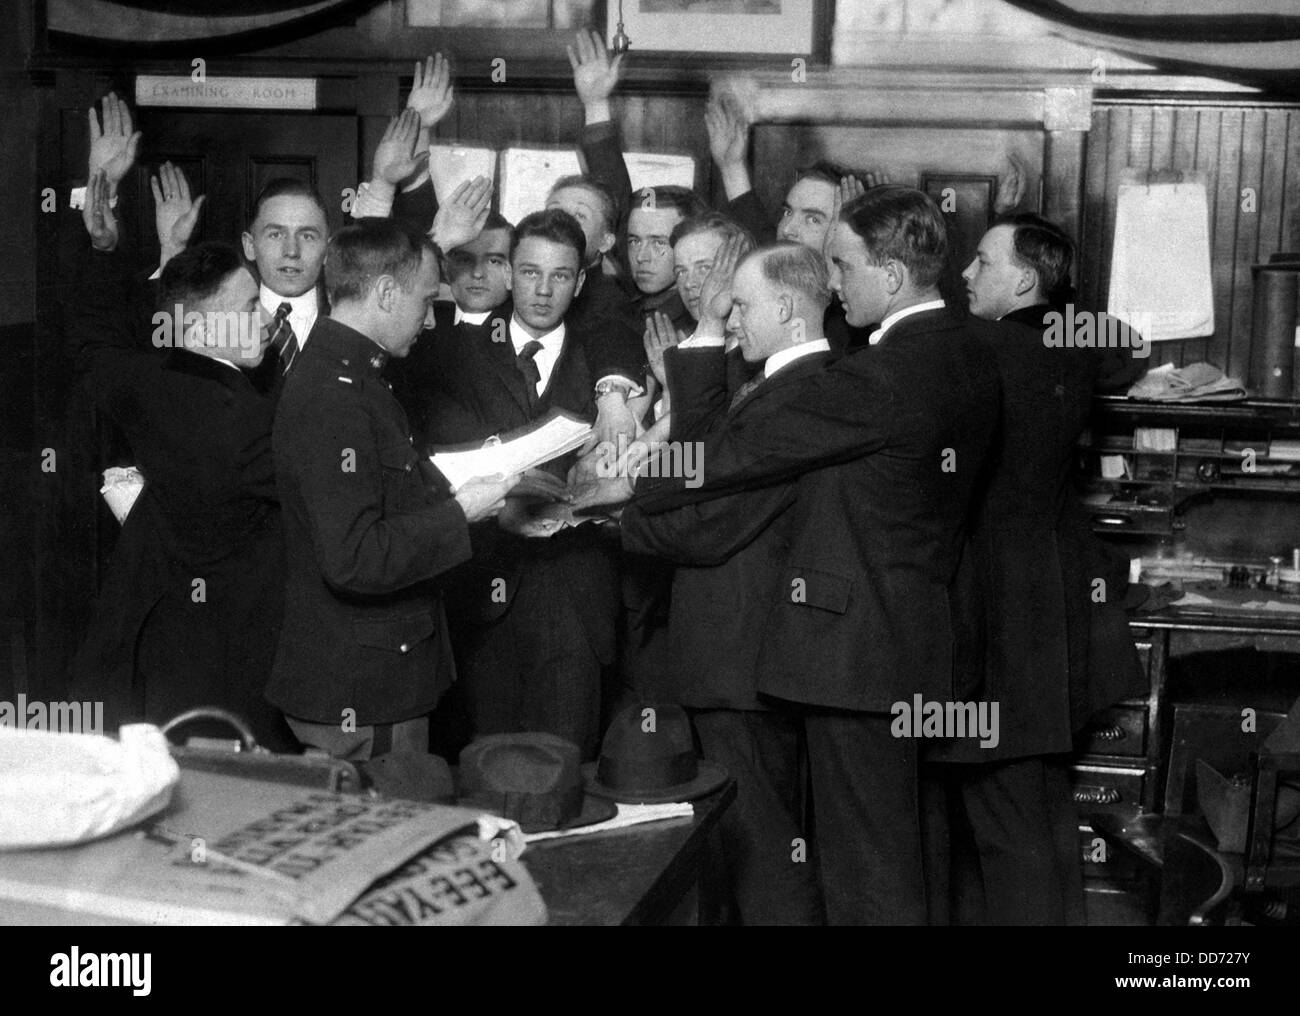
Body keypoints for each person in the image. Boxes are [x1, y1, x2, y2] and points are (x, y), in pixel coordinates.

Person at [576, 186, 1003, 924]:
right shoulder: (964, 350)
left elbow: (733, 456)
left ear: (893, 276)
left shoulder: (879, 376)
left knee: (866, 874)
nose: (832, 283)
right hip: (913, 638)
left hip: (859, 655)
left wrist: (620, 488)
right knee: (894, 853)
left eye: (842, 265)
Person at [918, 213, 1148, 924]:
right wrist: (1055, 291)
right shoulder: (1069, 341)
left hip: (996, 632)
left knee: (1002, 832)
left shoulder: (973, 345)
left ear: (1019, 279)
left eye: (981, 262)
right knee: (1042, 822)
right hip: (1053, 632)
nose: (964, 274)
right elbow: (1130, 347)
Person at [619, 242, 835, 924]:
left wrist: (609, 517)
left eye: (742, 305)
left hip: (745, 666)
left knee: (765, 852)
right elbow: (703, 457)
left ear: (785, 308)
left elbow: (709, 523)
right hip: (736, 664)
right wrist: (710, 334)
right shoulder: (775, 384)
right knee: (747, 849)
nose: (730, 314)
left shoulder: (795, 398)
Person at [267, 217, 515, 761]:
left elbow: (383, 496)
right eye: (426, 302)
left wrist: (456, 489)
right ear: (384, 292)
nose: (429, 322)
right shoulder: (337, 397)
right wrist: (461, 514)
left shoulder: (354, 375)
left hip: (375, 675)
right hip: (365, 691)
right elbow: (355, 559)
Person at [68, 157, 293, 748]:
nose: (266, 318)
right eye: (248, 308)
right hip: (224, 673)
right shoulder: (246, 424)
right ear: (197, 335)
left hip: (142, 659)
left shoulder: (144, 383)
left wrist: (149, 251)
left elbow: (93, 341)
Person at [423, 208, 623, 760]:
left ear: (580, 283)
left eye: (560, 275)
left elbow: (634, 473)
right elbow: (428, 462)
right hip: (481, 593)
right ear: (509, 273)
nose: (542, 289)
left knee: (565, 777)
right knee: (487, 776)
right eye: (530, 272)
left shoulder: (606, 364)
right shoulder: (455, 354)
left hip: (575, 599)